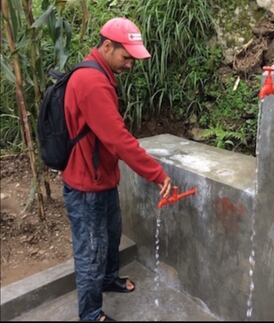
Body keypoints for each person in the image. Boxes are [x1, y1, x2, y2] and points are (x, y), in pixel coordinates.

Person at [62, 17, 172, 322]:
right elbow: (117, 138)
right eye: (126, 57)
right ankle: (90, 314)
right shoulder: (92, 82)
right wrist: (156, 173)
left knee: (109, 238)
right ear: (107, 46)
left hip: (101, 179)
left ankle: (109, 279)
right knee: (90, 254)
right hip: (86, 186)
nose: (129, 65)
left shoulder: (100, 72)